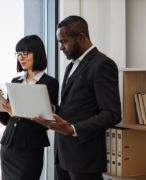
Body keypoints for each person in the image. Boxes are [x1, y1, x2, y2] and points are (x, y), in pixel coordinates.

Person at [31, 16, 121, 180]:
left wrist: (73, 129)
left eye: (64, 41)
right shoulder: (71, 66)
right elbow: (71, 106)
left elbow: (112, 113)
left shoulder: (102, 64)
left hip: (85, 158)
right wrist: (50, 109)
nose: (60, 47)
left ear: (81, 37)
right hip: (63, 155)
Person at [0, 35, 59, 180]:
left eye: (25, 53)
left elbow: (47, 124)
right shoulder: (15, 81)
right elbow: (6, 120)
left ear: (37, 53)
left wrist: (19, 114)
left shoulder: (50, 83)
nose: (20, 58)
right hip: (8, 145)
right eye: (18, 54)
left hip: (31, 148)